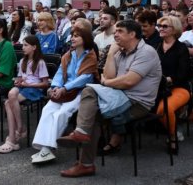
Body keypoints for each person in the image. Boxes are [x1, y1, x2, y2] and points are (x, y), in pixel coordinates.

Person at [55, 20, 161, 177]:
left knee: (90, 95)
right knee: (91, 107)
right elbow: (111, 75)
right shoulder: (119, 52)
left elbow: (128, 81)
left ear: (132, 34)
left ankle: (84, 154)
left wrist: (106, 82)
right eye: (115, 31)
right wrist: (111, 53)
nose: (115, 34)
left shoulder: (146, 52)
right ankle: (83, 150)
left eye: (119, 31)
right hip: (120, 97)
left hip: (138, 103)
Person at [31, 26, 98, 164]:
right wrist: (55, 87)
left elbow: (86, 77)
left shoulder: (90, 55)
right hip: (63, 91)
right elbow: (60, 73)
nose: (72, 38)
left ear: (85, 39)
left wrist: (65, 88)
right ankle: (44, 148)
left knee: (61, 114)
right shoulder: (69, 54)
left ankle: (48, 149)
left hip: (80, 92)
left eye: (76, 36)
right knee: (47, 110)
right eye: (72, 35)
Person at [0, 35, 49, 153]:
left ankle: (13, 138)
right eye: (23, 45)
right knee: (11, 94)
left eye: (26, 45)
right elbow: (20, 78)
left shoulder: (40, 62)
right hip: (24, 88)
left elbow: (45, 84)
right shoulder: (22, 61)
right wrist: (18, 81)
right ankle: (20, 128)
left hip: (33, 89)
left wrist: (29, 85)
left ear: (34, 47)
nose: (23, 48)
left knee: (7, 103)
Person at [154, 15, 190, 154]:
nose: (160, 29)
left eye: (164, 26)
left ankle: (172, 136)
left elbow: (183, 74)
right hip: (157, 87)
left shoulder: (181, 48)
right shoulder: (156, 47)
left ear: (174, 30)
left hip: (179, 87)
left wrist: (167, 79)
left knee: (164, 109)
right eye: (159, 26)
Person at [94, 6, 117, 72]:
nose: (101, 20)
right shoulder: (97, 37)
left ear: (112, 22)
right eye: (101, 18)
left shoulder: (117, 38)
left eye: (105, 19)